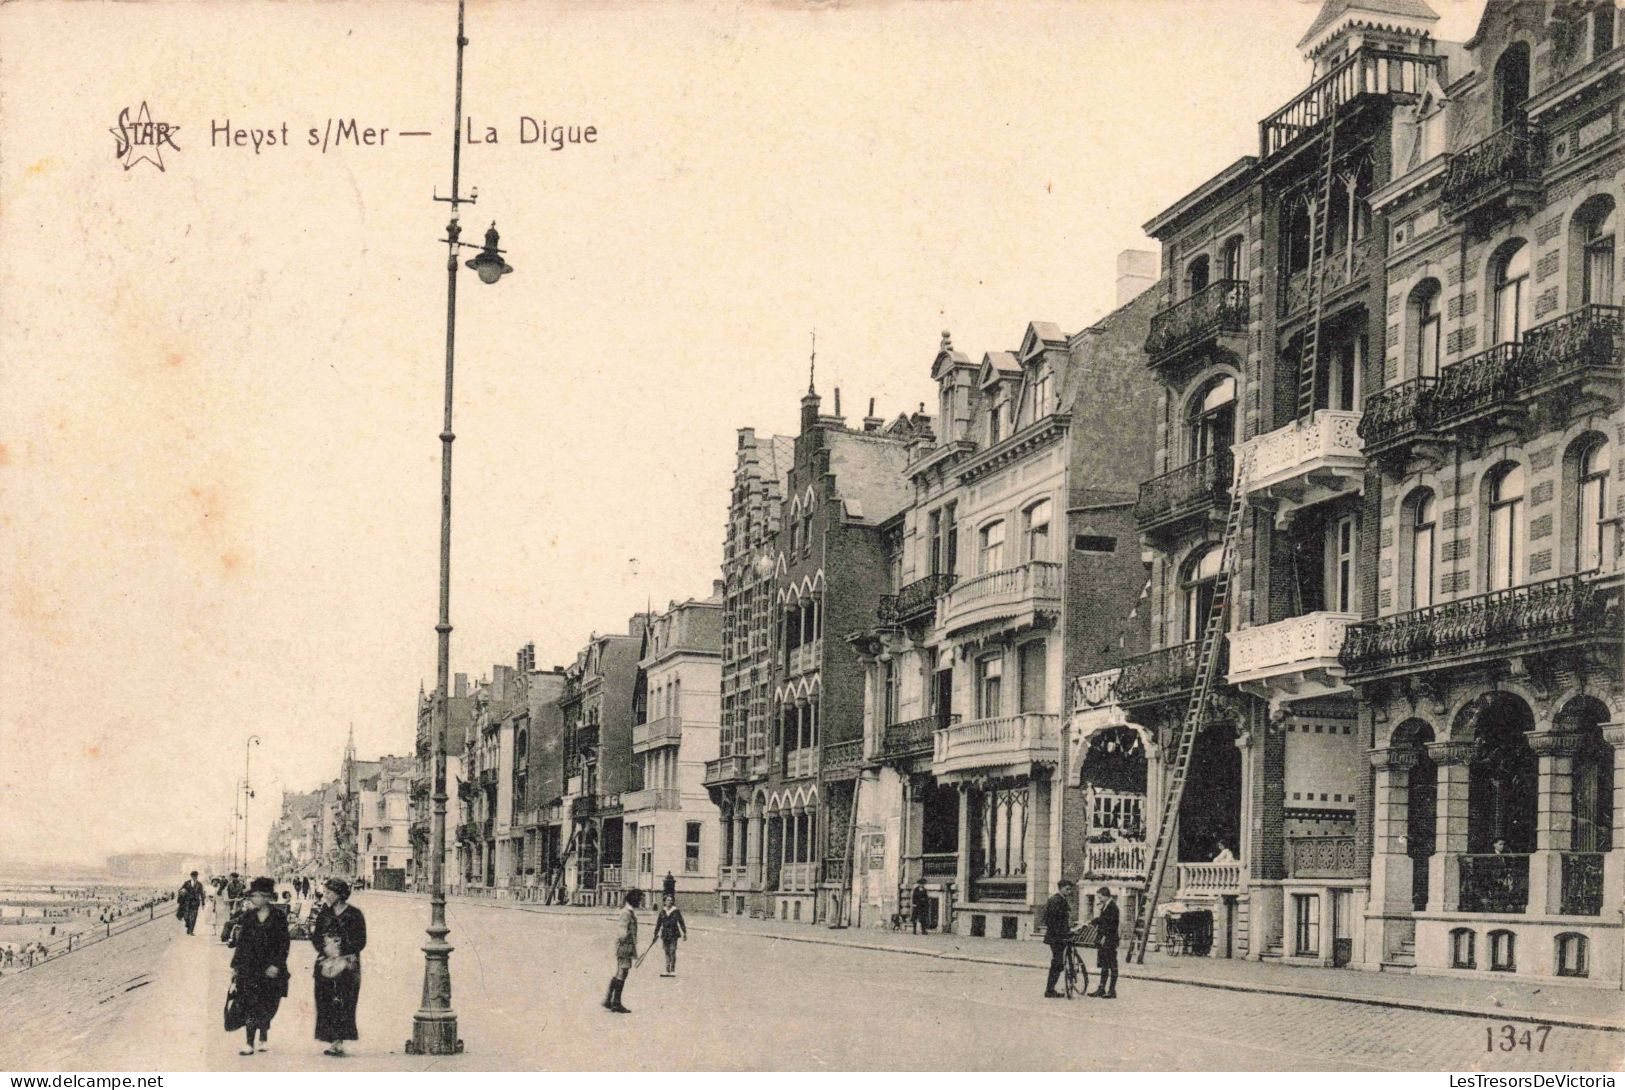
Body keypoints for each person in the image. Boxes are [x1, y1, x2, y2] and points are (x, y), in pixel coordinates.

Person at [230, 877, 290, 1055]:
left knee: (268, 1004)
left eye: (255, 896)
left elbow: (284, 944)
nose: (252, 899)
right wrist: (235, 965)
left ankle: (263, 1036)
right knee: (249, 1003)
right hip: (250, 967)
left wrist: (276, 965)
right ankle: (249, 1042)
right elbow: (241, 943)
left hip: (271, 968)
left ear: (266, 897)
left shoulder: (278, 916)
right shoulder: (248, 916)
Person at [310, 878, 367, 1057]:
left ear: (340, 894)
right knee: (325, 999)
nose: (325, 895)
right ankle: (331, 1038)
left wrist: (342, 949)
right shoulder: (323, 914)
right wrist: (324, 948)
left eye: (329, 893)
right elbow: (316, 937)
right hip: (325, 962)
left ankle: (338, 1041)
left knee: (344, 1000)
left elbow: (361, 940)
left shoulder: (354, 914)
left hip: (347, 964)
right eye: (325, 892)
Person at [602, 889, 640, 1014]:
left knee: (621, 972)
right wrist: (625, 940)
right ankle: (616, 1003)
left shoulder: (629, 911)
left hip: (625, 946)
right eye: (639, 899)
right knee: (622, 972)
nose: (640, 902)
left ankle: (608, 1000)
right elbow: (622, 931)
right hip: (625, 947)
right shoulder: (626, 913)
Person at [1041, 878, 1075, 998]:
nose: (1069, 891)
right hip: (1056, 937)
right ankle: (1049, 990)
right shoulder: (1056, 900)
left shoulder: (1060, 899)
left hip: (1058, 936)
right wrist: (1063, 933)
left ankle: (1050, 989)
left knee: (1058, 962)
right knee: (1057, 963)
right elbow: (1053, 920)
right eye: (1067, 889)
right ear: (1061, 888)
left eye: (1070, 889)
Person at [1088, 887, 1120, 999]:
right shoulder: (1106, 906)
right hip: (1104, 940)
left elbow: (1111, 925)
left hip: (1109, 941)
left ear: (1106, 896)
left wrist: (1103, 936)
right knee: (1104, 965)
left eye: (1100, 897)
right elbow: (1102, 919)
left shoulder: (1113, 908)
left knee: (1112, 966)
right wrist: (1093, 921)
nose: (1099, 899)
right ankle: (1101, 989)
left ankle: (1112, 991)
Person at [653, 895, 687, 977]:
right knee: (666, 951)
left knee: (672, 951)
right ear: (664, 902)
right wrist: (655, 934)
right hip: (665, 934)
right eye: (668, 900)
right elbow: (658, 924)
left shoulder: (676, 911)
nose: (669, 902)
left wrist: (684, 932)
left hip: (674, 934)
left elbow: (681, 922)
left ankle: (673, 970)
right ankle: (667, 970)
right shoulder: (662, 912)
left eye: (671, 900)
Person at [178, 871, 206, 935]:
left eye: (196, 876)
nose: (195, 877)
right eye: (193, 876)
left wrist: (203, 903)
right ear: (191, 876)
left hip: (195, 903)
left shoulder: (199, 884)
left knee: (194, 917)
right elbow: (180, 890)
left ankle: (191, 931)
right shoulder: (186, 883)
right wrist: (183, 892)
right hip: (187, 902)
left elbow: (201, 894)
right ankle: (188, 926)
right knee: (186, 917)